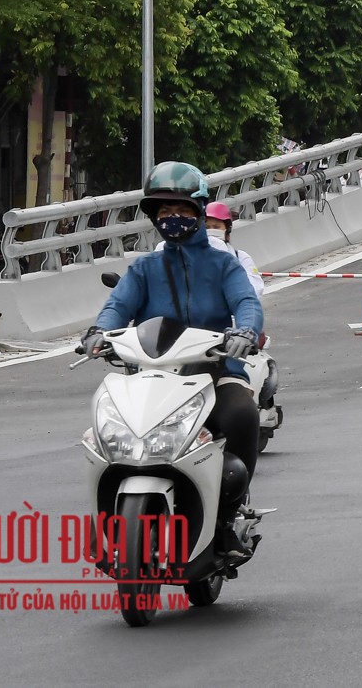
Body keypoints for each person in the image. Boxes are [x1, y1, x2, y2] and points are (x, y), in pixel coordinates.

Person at [81, 162, 264, 557]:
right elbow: (117, 306)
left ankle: (228, 518)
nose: (173, 219)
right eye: (164, 211)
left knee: (243, 414)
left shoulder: (224, 264)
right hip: (150, 374)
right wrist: (99, 332)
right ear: (153, 217)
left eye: (182, 210)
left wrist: (244, 332)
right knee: (107, 427)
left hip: (214, 371)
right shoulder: (145, 268)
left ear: (199, 212)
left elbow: (246, 302)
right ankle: (108, 520)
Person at [204, 201, 263, 299]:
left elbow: (255, 289)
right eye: (207, 227)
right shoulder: (193, 257)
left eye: (216, 227)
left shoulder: (242, 258)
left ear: (227, 229)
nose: (211, 231)